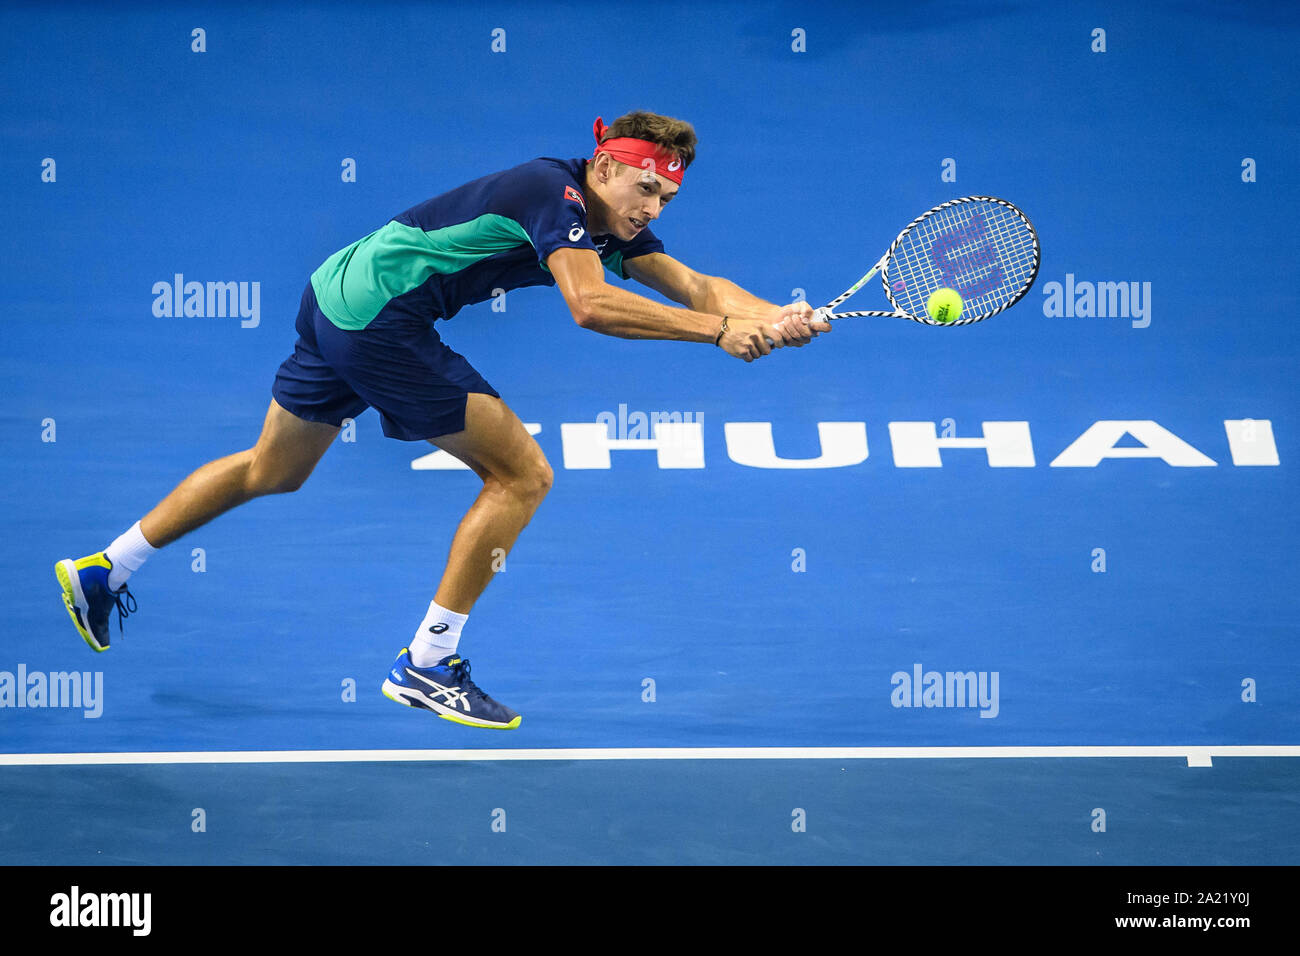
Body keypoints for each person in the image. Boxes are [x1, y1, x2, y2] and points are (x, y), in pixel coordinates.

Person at [55, 110, 830, 730]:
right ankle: (428, 664)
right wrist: (720, 333)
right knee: (522, 475)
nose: (652, 210)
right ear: (602, 168)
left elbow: (694, 284)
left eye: (666, 199)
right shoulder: (549, 194)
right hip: (379, 321)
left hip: (335, 292)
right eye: (645, 191)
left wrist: (777, 313)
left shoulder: (605, 218)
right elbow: (590, 305)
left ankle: (106, 567)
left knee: (273, 470)